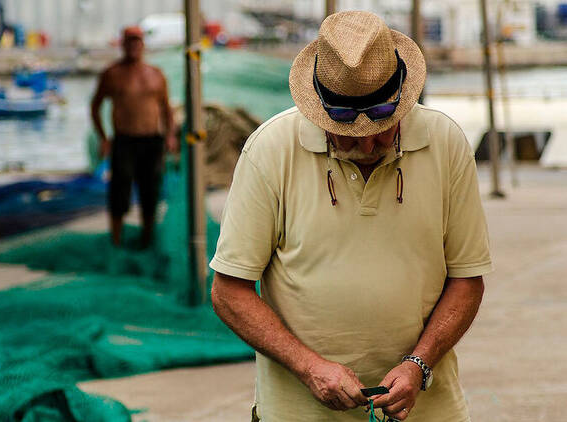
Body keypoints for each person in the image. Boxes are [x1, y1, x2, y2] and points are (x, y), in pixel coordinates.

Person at [209, 11, 492, 422]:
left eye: (383, 119)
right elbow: (228, 292)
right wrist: (310, 368)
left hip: (430, 410)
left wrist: (420, 364)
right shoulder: (269, 150)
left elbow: (467, 279)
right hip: (297, 413)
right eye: (346, 124)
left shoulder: (446, 143)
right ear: (319, 108)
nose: (368, 140)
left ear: (402, 98)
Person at [91, 26, 178, 247]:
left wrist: (170, 135)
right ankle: (116, 241)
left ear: (143, 45)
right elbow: (95, 106)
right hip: (124, 141)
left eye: (137, 41)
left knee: (150, 192)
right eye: (129, 41)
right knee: (119, 192)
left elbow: (167, 108)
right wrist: (103, 137)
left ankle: (147, 239)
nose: (133, 46)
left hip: (151, 141)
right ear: (122, 44)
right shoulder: (112, 74)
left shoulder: (155, 74)